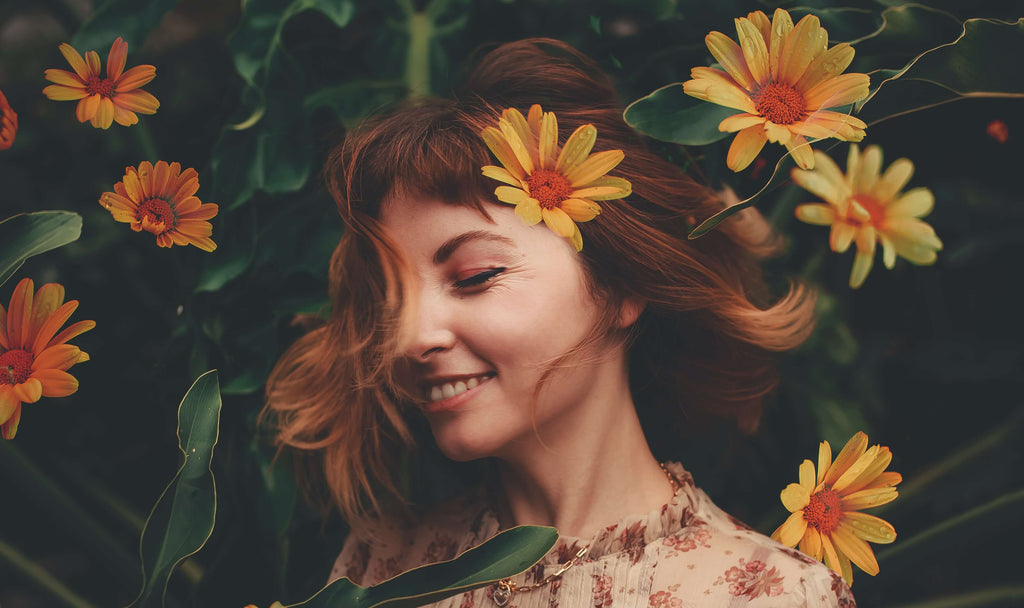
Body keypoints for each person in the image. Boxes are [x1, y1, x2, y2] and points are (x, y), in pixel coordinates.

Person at [264, 38, 856, 607]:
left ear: (621, 284)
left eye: (474, 277)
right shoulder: (385, 567)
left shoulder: (765, 596)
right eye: (388, 302)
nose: (411, 338)